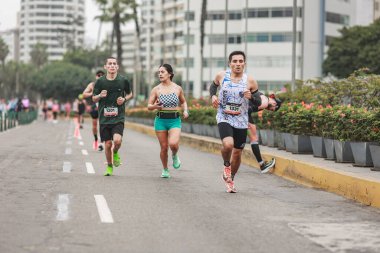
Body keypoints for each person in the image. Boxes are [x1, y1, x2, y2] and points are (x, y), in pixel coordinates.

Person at [209, 51, 262, 193]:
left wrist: (251, 97)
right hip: (224, 116)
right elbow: (213, 86)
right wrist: (213, 96)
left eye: (240, 61)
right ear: (230, 63)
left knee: (237, 153)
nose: (238, 64)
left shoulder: (250, 81)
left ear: (244, 63)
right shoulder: (221, 76)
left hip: (241, 119)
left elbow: (258, 102)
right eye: (235, 61)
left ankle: (231, 179)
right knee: (228, 144)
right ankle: (226, 165)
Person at [92, 57, 133, 176]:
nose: (112, 66)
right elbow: (93, 98)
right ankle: (109, 167)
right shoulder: (100, 81)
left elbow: (130, 94)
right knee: (108, 144)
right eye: (109, 64)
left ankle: (115, 152)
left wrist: (124, 99)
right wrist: (100, 95)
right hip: (104, 118)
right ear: (105, 67)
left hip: (118, 116)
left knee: (117, 141)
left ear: (117, 66)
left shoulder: (123, 80)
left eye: (114, 64)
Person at [147, 63, 189, 178]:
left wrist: (185, 111)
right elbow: (149, 106)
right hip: (161, 120)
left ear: (170, 74)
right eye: (159, 72)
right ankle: (165, 169)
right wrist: (156, 106)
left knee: (173, 144)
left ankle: (174, 155)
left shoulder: (177, 88)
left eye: (162, 72)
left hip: (174, 120)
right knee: (164, 147)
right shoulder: (156, 89)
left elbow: (183, 101)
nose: (160, 74)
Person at [247, 93, 282, 174]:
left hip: (238, 111)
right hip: (242, 113)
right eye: (273, 107)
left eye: (272, 110)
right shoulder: (265, 102)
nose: (271, 109)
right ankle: (262, 165)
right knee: (254, 138)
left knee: (239, 143)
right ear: (274, 102)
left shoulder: (263, 98)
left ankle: (228, 165)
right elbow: (247, 109)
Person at [82, 70, 105, 151]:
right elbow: (84, 94)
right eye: (99, 75)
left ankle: (101, 143)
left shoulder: (107, 84)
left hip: (104, 108)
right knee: (95, 126)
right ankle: (96, 139)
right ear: (96, 76)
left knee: (102, 125)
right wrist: (91, 93)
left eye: (102, 75)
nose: (100, 76)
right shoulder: (92, 85)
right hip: (94, 107)